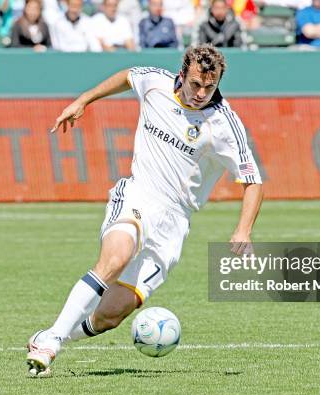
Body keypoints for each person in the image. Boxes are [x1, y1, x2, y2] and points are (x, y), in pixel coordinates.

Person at [26, 44, 264, 377]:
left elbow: (252, 181)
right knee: (116, 256)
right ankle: (51, 340)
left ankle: (56, 336)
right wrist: (84, 99)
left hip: (174, 224)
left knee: (110, 316)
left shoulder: (223, 123)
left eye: (210, 87)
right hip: (138, 195)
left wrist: (243, 230)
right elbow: (127, 76)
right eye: (196, 84)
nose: (202, 93)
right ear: (182, 75)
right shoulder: (155, 83)